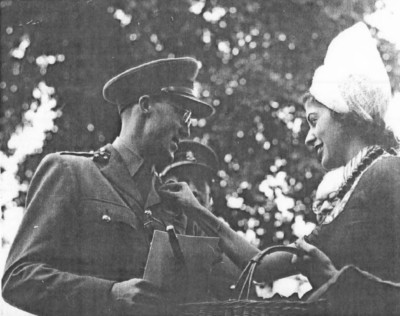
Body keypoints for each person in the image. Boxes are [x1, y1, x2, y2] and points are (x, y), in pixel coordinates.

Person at [159, 21, 400, 299]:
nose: (309, 139)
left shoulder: (387, 172)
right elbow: (262, 266)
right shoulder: (348, 194)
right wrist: (195, 208)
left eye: (314, 121)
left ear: (344, 114)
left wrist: (339, 283)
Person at [1, 57, 214, 316]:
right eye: (183, 113)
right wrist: (108, 295)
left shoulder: (176, 205)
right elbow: (19, 278)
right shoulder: (71, 172)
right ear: (146, 105)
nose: (187, 131)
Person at [160, 140, 241, 300]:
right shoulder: (151, 239)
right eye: (183, 182)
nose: (193, 191)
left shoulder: (233, 253)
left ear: (210, 194)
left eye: (199, 182)